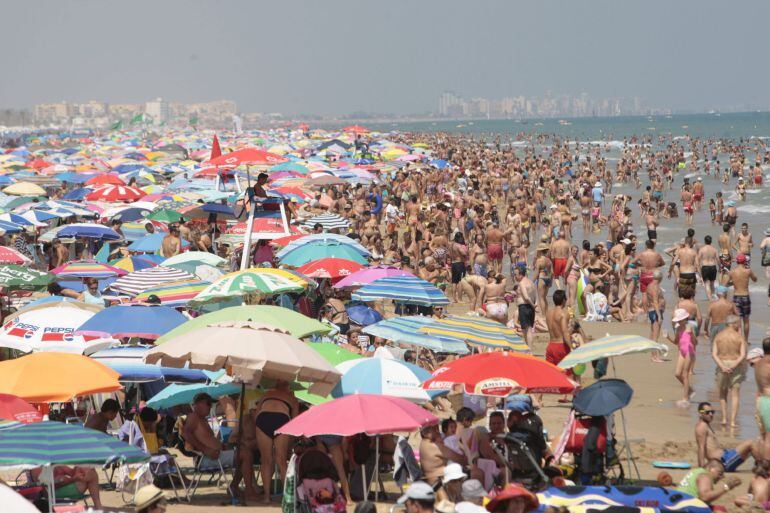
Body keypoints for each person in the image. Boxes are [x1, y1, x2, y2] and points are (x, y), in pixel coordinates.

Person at [183, 393, 258, 500]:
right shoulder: (193, 417)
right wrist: (205, 450)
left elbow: (207, 439)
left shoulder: (202, 419)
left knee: (245, 452)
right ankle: (248, 491)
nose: (210, 407)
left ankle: (234, 487)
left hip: (216, 455)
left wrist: (223, 446)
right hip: (207, 458)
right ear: (198, 404)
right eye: (208, 404)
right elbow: (186, 433)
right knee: (246, 455)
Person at [254, 380, 299, 502]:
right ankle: (286, 498)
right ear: (288, 388)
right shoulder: (292, 398)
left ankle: (267, 497)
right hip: (281, 418)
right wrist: (290, 444)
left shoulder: (266, 394)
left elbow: (256, 415)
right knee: (281, 460)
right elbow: (295, 423)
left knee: (266, 460)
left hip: (263, 418)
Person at [694, 401, 754, 472]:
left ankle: (762, 466)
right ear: (700, 413)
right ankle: (763, 469)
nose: (710, 414)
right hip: (724, 462)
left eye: (712, 412)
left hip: (726, 457)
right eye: (707, 412)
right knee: (751, 443)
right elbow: (701, 448)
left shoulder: (706, 425)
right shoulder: (701, 426)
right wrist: (701, 469)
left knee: (751, 449)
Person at [712, 315, 747, 427]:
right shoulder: (739, 337)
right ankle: (732, 421)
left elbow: (714, 354)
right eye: (738, 323)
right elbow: (742, 355)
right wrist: (734, 365)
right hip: (735, 364)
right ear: (733, 323)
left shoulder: (718, 336)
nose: (739, 325)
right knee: (735, 394)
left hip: (722, 364)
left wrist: (722, 366)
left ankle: (723, 419)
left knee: (723, 393)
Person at [728, 252, 757, 339]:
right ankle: (746, 340)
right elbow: (755, 279)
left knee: (737, 320)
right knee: (746, 320)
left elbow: (726, 283)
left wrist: (734, 282)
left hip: (736, 297)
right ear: (745, 262)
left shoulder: (732, 272)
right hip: (745, 296)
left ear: (737, 261)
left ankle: (739, 338)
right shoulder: (748, 271)